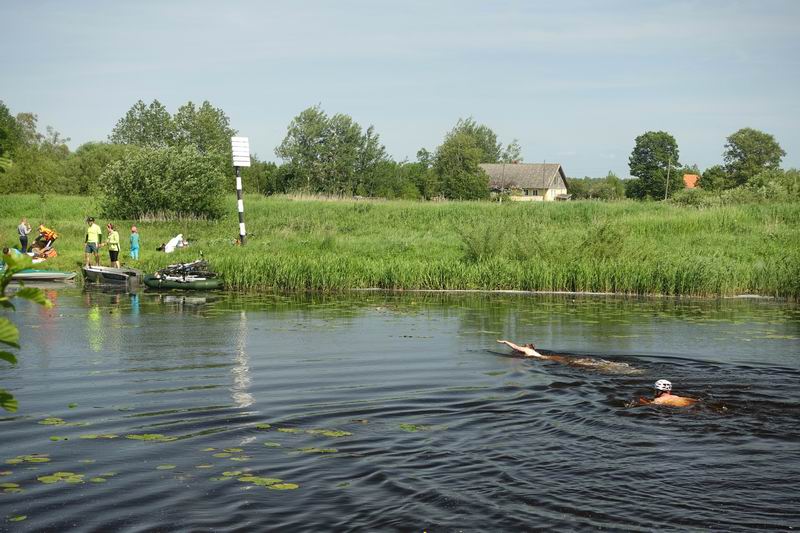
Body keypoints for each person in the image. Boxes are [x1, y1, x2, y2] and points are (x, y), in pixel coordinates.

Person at [496, 339, 640, 374]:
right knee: (584, 362)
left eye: (525, 345)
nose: (523, 346)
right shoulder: (535, 352)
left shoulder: (528, 352)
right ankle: (611, 365)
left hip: (548, 360)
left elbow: (514, 347)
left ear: (528, 347)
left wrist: (504, 341)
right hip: (553, 357)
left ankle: (608, 366)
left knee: (582, 364)